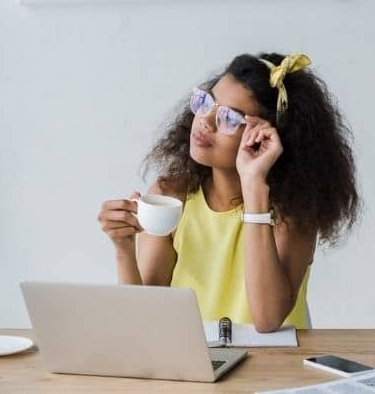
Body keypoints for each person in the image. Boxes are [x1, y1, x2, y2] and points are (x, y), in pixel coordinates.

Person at [98, 52, 359, 332]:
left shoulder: (293, 211)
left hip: (277, 367)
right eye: (207, 103)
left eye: (229, 118)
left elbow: (268, 319)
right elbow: (145, 320)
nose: (205, 121)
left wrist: (253, 182)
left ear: (266, 138)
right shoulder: (171, 197)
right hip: (198, 361)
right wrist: (123, 248)